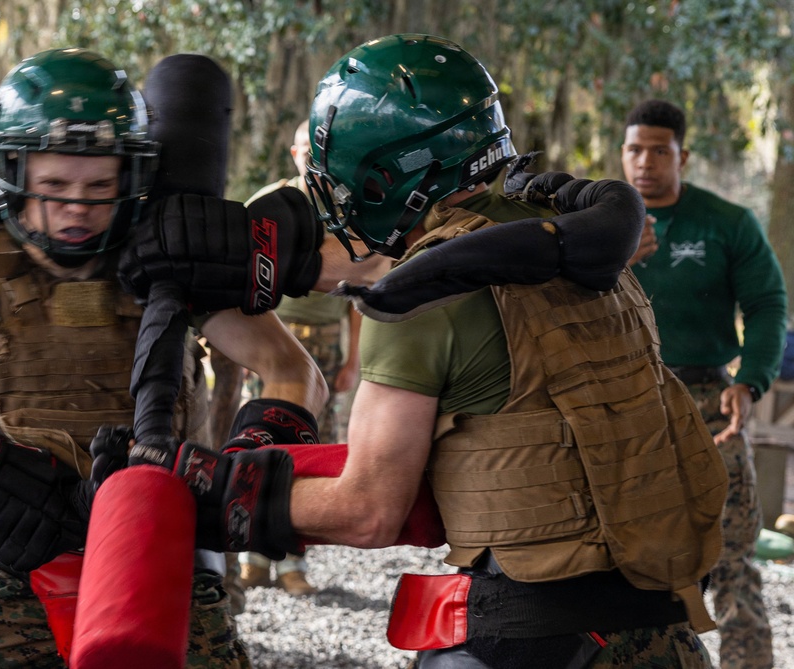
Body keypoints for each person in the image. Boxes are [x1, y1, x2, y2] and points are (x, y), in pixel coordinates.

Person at [128, 34, 732, 668]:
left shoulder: (417, 297)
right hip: (664, 635)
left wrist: (208, 486)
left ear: (384, 176)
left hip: (539, 639)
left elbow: (369, 511)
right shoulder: (574, 240)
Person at [0, 47, 325, 669]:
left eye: (100, 186)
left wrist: (239, 472)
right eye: (54, 187)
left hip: (160, 558)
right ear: (14, 175)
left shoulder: (170, 268)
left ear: (132, 178)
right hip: (17, 572)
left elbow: (293, 373)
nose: (77, 208)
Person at [621, 99, 788, 669]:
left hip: (708, 402)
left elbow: (767, 306)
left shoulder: (726, 222)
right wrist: (609, 261)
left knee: (734, 556)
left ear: (682, 155)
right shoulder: (598, 225)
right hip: (619, 405)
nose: (645, 163)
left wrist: (752, 381)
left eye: (659, 151)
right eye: (635, 150)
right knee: (623, 557)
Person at [236, 120, 375, 596]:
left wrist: (352, 361)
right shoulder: (270, 202)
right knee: (264, 443)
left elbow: (359, 297)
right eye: (303, 151)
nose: (309, 160)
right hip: (275, 340)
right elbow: (240, 284)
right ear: (293, 152)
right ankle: (253, 556)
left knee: (309, 453)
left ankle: (294, 563)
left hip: (325, 343)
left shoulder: (346, 211)